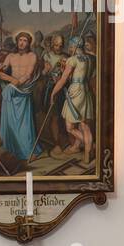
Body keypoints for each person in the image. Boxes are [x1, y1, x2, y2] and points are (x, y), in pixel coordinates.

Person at [0, 30, 41, 161]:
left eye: (25, 41)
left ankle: (28, 150)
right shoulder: (11, 56)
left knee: (24, 124)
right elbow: (3, 68)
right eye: (20, 40)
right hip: (11, 90)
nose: (22, 43)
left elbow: (28, 75)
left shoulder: (32, 56)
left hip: (23, 90)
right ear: (17, 42)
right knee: (11, 121)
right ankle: (10, 148)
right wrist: (1, 67)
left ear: (29, 43)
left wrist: (15, 84)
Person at [51, 37, 95, 169]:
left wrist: (53, 93)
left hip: (75, 92)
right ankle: (87, 154)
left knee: (70, 127)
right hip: (85, 90)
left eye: (70, 46)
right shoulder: (90, 59)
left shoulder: (72, 59)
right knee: (84, 125)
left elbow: (63, 79)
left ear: (74, 46)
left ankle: (90, 146)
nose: (69, 49)